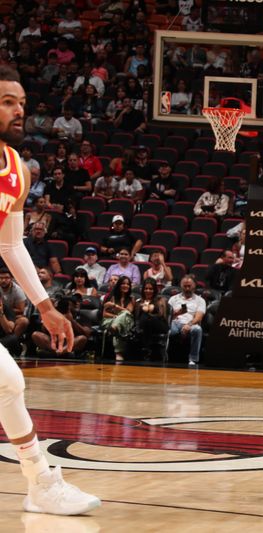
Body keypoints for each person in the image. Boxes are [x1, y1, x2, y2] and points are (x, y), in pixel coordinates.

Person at [0, 66, 98, 515]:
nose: (19, 111)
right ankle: (40, 482)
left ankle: (40, 482)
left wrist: (46, 306)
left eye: (20, 102)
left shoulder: (16, 169)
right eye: (7, 102)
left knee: (8, 383)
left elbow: (10, 244)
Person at [167, 275, 206, 367]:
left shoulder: (200, 300)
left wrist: (189, 324)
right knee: (170, 330)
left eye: (189, 286)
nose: (187, 288)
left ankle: (193, 359)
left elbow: (199, 317)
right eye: (185, 286)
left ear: (194, 286)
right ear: (181, 286)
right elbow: (167, 316)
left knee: (197, 330)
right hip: (175, 322)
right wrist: (177, 313)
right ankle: (166, 355)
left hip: (191, 322)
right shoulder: (173, 299)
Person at [101, 274, 135, 362]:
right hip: (110, 320)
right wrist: (116, 317)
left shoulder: (132, 299)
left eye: (128, 284)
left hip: (126, 321)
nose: (125, 286)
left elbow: (128, 312)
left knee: (125, 316)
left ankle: (115, 327)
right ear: (119, 285)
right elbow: (104, 314)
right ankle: (118, 353)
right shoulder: (111, 297)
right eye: (123, 283)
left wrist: (115, 306)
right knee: (120, 323)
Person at [135, 278, 169, 360]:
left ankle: (146, 349)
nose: (148, 291)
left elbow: (161, 315)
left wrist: (149, 308)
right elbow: (137, 317)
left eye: (151, 289)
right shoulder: (139, 301)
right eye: (146, 289)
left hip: (160, 325)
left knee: (148, 318)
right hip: (144, 325)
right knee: (146, 319)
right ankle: (147, 349)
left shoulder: (160, 300)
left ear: (154, 290)